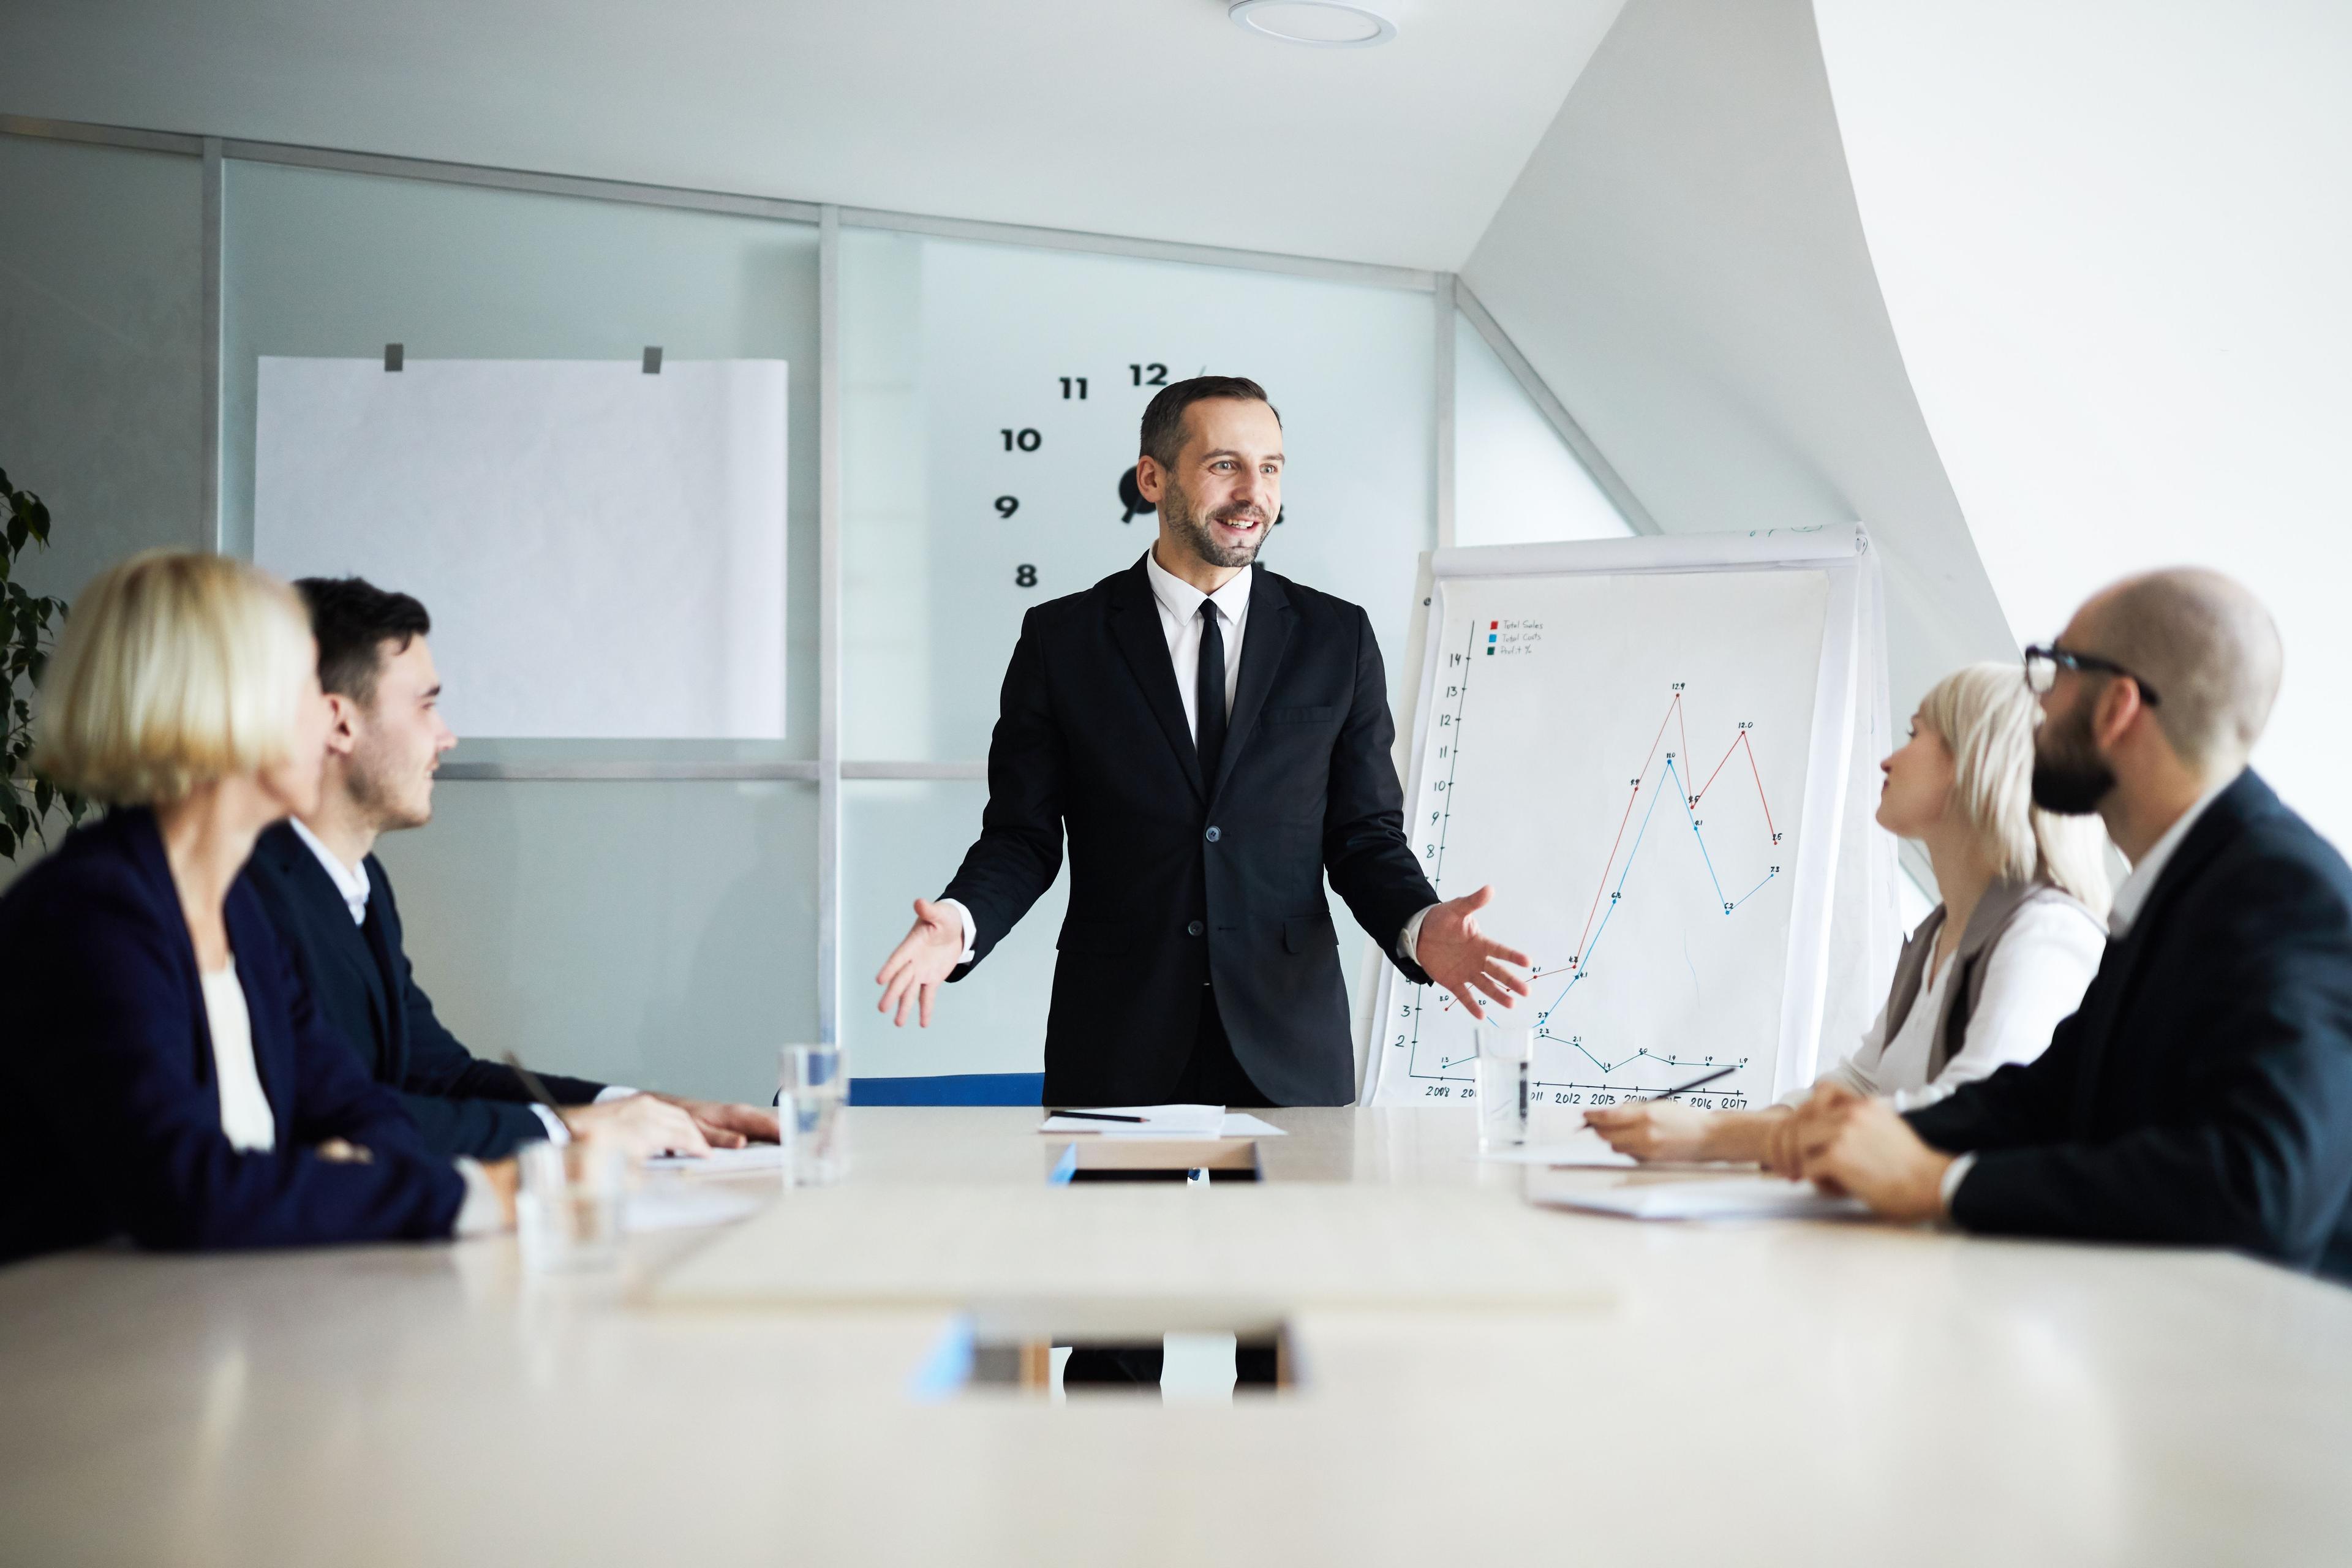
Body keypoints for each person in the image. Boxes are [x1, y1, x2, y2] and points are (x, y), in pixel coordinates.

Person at [875, 375, 1531, 1107]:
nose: (1254, 491)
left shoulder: (1336, 639)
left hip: (1290, 1040)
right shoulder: (1062, 641)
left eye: (1271, 467)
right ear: (1152, 479)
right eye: (1225, 465)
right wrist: (959, 923)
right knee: (1119, 1230)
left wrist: (1418, 923)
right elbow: (1022, 838)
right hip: (1118, 1038)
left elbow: (1362, 835)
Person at [1787, 568, 2352, 1282]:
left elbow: (2257, 1185)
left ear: (2117, 706)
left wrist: (1940, 1184)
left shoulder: (2282, 890)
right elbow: (2042, 1101)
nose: (2041, 702)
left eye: (2055, 671)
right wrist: (1860, 1136)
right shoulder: (2177, 888)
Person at [0, 552, 514, 1261]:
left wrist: (373, 1169)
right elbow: (186, 1189)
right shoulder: (92, 915)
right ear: (226, 705)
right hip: (74, 1346)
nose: (334, 717)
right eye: (309, 687)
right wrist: (479, 1195)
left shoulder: (236, 907)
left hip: (210, 1320)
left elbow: (357, 1106)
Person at [243, 576, 779, 1162]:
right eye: (427, 706)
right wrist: (577, 1133)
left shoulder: (363, 883)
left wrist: (643, 1107)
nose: (446, 737)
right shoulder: (249, 890)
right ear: (341, 723)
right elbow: (328, 1121)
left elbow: (437, 1075)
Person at [1586, 663, 2111, 1164]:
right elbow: (1863, 1082)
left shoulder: (2045, 934)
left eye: (1914, 734)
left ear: (1975, 761)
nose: (1889, 760)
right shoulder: (1939, 932)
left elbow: (1970, 1113)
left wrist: (1717, 1137)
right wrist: (1737, 1135)